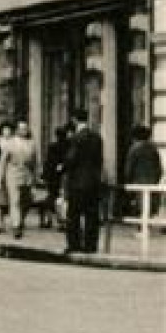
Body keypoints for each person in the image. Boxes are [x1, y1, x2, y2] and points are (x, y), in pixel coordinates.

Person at [64, 108, 105, 254]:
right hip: (93, 182)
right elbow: (99, 161)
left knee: (73, 216)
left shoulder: (76, 138)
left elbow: (71, 159)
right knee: (92, 216)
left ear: (74, 120)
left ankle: (74, 245)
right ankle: (90, 246)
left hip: (77, 183)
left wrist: (62, 167)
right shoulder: (97, 137)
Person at [0, 120, 38, 239]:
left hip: (26, 175)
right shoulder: (10, 143)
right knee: (15, 201)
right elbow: (2, 162)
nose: (23, 131)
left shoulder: (32, 144)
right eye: (21, 128)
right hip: (12, 174)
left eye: (25, 128)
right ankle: (16, 226)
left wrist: (35, 178)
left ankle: (20, 221)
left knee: (25, 202)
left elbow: (35, 163)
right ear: (17, 130)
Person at [122, 125, 163, 230]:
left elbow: (129, 168)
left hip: (138, 181)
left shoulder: (134, 149)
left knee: (139, 206)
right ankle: (145, 227)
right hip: (152, 181)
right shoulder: (153, 149)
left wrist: (128, 181)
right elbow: (159, 168)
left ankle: (141, 228)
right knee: (149, 205)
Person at [44, 124, 71, 222]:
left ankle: (49, 217)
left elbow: (48, 162)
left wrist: (46, 175)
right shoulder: (70, 146)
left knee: (52, 196)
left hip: (53, 176)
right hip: (65, 175)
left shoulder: (52, 146)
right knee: (63, 198)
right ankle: (62, 218)